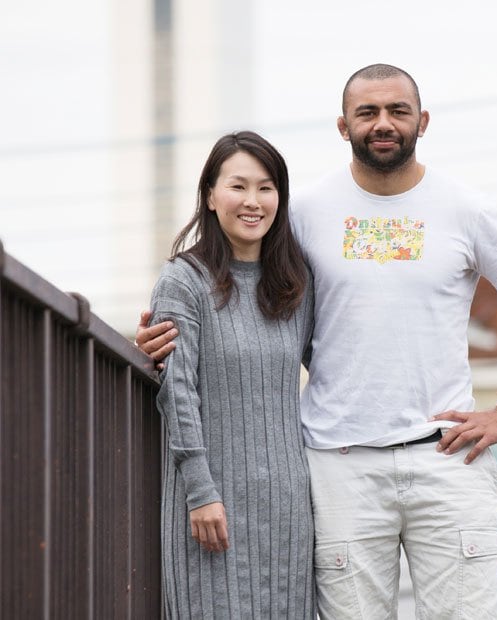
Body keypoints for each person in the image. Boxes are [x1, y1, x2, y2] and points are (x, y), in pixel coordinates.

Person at [138, 65, 497, 619]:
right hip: (338, 467)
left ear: (422, 121)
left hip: (446, 458)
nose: (383, 124)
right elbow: (245, 301)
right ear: (343, 126)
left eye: (397, 111)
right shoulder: (299, 216)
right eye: (367, 112)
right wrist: (171, 331)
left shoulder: (466, 209)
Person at [149, 130, 315, 619]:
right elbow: (177, 390)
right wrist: (201, 493)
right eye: (238, 186)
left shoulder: (294, 284)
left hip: (288, 507)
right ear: (210, 196)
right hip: (211, 506)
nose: (252, 201)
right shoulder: (184, 280)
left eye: (266, 188)